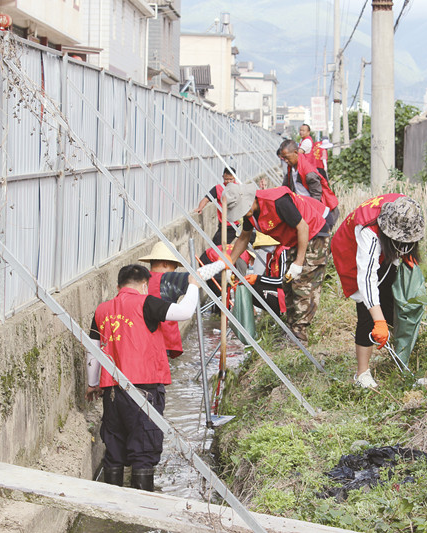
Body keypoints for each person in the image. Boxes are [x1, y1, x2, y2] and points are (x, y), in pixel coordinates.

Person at [84, 264, 200, 490]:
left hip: (112, 393)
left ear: (118, 286)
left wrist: (92, 384)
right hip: (144, 392)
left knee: (114, 452)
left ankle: (112, 507)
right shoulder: (146, 302)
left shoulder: (101, 310)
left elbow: (93, 350)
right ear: (145, 285)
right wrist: (193, 287)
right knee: (143, 453)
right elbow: (184, 312)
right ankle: (142, 514)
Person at [331, 195, 425, 388]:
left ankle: (400, 362)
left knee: (391, 297)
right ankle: (362, 374)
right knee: (368, 311)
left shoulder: (407, 209)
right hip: (350, 251)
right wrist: (379, 320)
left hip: (384, 251)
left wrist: (404, 254)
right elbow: (366, 279)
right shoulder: (369, 230)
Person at [222, 183, 332, 344]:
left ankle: (300, 336)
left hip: (314, 233)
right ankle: (291, 328)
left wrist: (299, 263)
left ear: (248, 199)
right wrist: (229, 264)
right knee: (288, 284)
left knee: (303, 282)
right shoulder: (250, 214)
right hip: (293, 239)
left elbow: (303, 227)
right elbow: (244, 238)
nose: (243, 213)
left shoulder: (278, 202)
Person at [278, 139, 339, 212]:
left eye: (287, 157)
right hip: (303, 206)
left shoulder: (308, 172)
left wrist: (310, 213)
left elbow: (316, 196)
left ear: (295, 152)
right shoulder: (291, 169)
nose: (285, 160)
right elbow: (285, 188)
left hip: (315, 210)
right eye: (283, 158)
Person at [194, 166, 240, 243]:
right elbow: (206, 199)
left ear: (235, 178)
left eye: (231, 179)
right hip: (223, 224)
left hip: (237, 224)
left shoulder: (240, 188)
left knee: (218, 245)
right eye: (226, 179)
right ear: (223, 177)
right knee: (217, 243)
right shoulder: (218, 188)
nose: (228, 181)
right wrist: (200, 208)